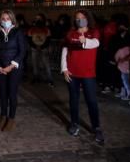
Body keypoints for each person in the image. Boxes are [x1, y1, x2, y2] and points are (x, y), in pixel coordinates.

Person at [61, 9, 104, 144]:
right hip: (73, 72)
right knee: (73, 100)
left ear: (88, 18)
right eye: (77, 18)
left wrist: (85, 40)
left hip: (88, 73)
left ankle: (96, 127)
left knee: (91, 101)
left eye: (82, 17)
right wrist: (64, 69)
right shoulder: (70, 33)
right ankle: (74, 124)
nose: (80, 20)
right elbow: (65, 50)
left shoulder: (93, 32)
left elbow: (96, 43)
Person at [0, 10, 26, 131]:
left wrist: (11, 66)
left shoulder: (18, 32)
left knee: (12, 93)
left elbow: (22, 51)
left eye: (7, 19)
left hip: (14, 68)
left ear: (12, 20)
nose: (5, 21)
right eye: (3, 19)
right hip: (1, 69)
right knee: (2, 94)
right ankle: (3, 117)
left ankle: (11, 119)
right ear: (0, 21)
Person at [27, 13, 53, 86]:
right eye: (36, 18)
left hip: (44, 49)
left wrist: (41, 47)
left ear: (42, 19)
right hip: (34, 49)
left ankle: (50, 79)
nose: (37, 20)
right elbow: (29, 39)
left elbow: (48, 40)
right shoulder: (31, 29)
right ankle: (36, 78)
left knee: (46, 65)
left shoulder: (46, 29)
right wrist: (36, 46)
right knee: (34, 64)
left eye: (39, 18)